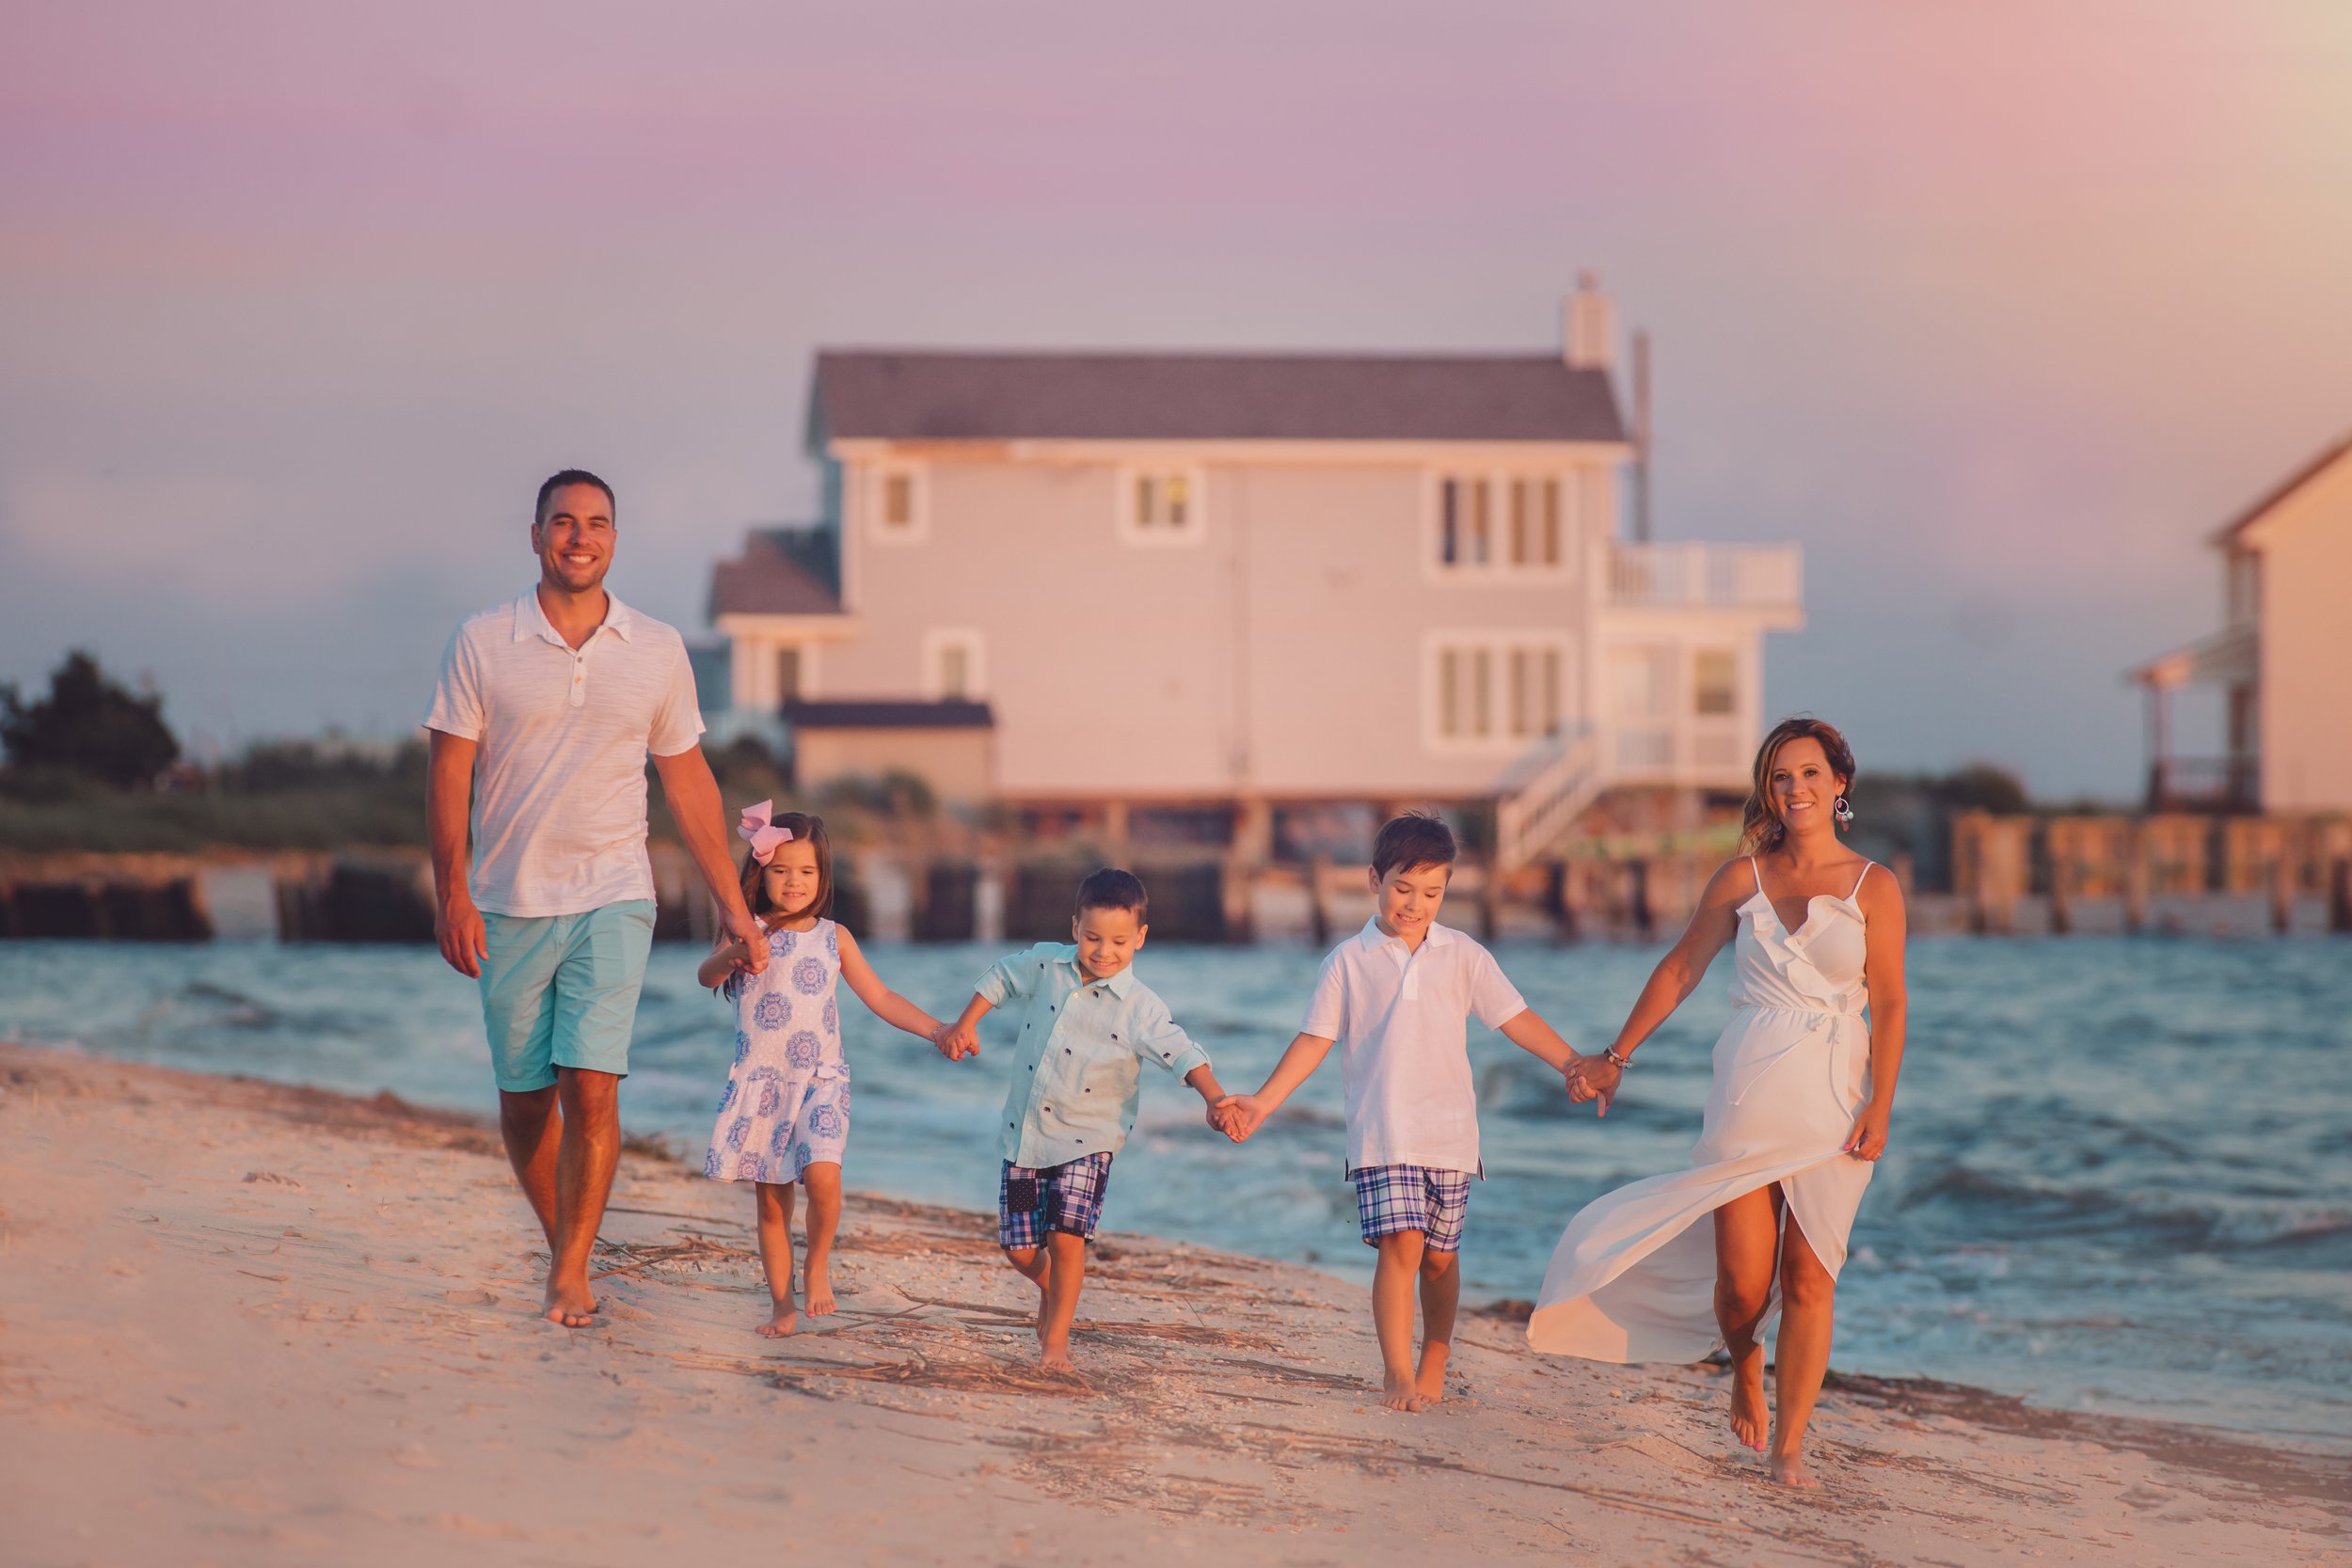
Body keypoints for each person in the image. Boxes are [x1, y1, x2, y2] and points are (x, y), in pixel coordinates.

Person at [425, 468, 769, 1328]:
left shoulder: (655, 649)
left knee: (593, 1085)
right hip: (508, 898)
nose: (581, 537)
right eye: (565, 522)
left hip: (616, 891)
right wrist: (452, 895)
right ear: (536, 533)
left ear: (616, 539)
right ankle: (566, 1247)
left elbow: (687, 781)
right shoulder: (481, 640)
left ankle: (572, 1269)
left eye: (598, 524)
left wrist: (733, 901)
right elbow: (448, 774)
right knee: (525, 1097)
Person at [1533, 717, 1910, 1489]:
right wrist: (1614, 1057)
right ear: (1768, 790)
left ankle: (1792, 1443)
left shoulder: (1877, 885)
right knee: (1742, 1283)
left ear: (1840, 784)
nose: (1795, 788)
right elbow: (1679, 970)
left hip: (1834, 1098)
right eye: (1780, 776)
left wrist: (1882, 1104)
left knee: (1810, 1278)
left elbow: (1894, 1003)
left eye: (1809, 774)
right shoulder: (1743, 879)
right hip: (1749, 1091)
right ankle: (1745, 1360)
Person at [1218, 811, 1595, 1413]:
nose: (1415, 904)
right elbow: (1315, 1039)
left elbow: (1513, 1017)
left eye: (1432, 892)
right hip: (1383, 1132)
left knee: (1440, 1258)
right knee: (1403, 1245)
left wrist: (1573, 1062)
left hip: (1450, 1135)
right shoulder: (1348, 960)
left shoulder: (1462, 954)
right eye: (1402, 887)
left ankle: (1435, 1359)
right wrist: (1264, 1101)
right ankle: (1396, 1372)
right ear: (1374, 879)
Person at [933, 868, 1236, 1372]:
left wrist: (1215, 1097)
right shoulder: (1047, 965)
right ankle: (1056, 1293)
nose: (1103, 951)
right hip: (1027, 1136)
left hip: (1089, 1141)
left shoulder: (1141, 1008)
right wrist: (964, 1025)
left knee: (1068, 1237)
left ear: (1140, 938)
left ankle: (1056, 1345)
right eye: (1093, 937)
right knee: (1021, 1248)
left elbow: (1181, 1051)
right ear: (1075, 927)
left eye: (1119, 941)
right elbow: (1001, 977)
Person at [697, 804, 943, 1337]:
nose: (793, 882)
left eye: (806, 872)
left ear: (823, 876)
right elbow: (706, 975)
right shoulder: (748, 930)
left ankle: (818, 1263)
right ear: (761, 873)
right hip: (762, 1087)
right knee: (771, 1207)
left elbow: (881, 996)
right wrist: (736, 953)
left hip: (821, 1082)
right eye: (781, 870)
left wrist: (937, 1031)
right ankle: (782, 1305)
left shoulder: (836, 938)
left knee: (824, 1178)